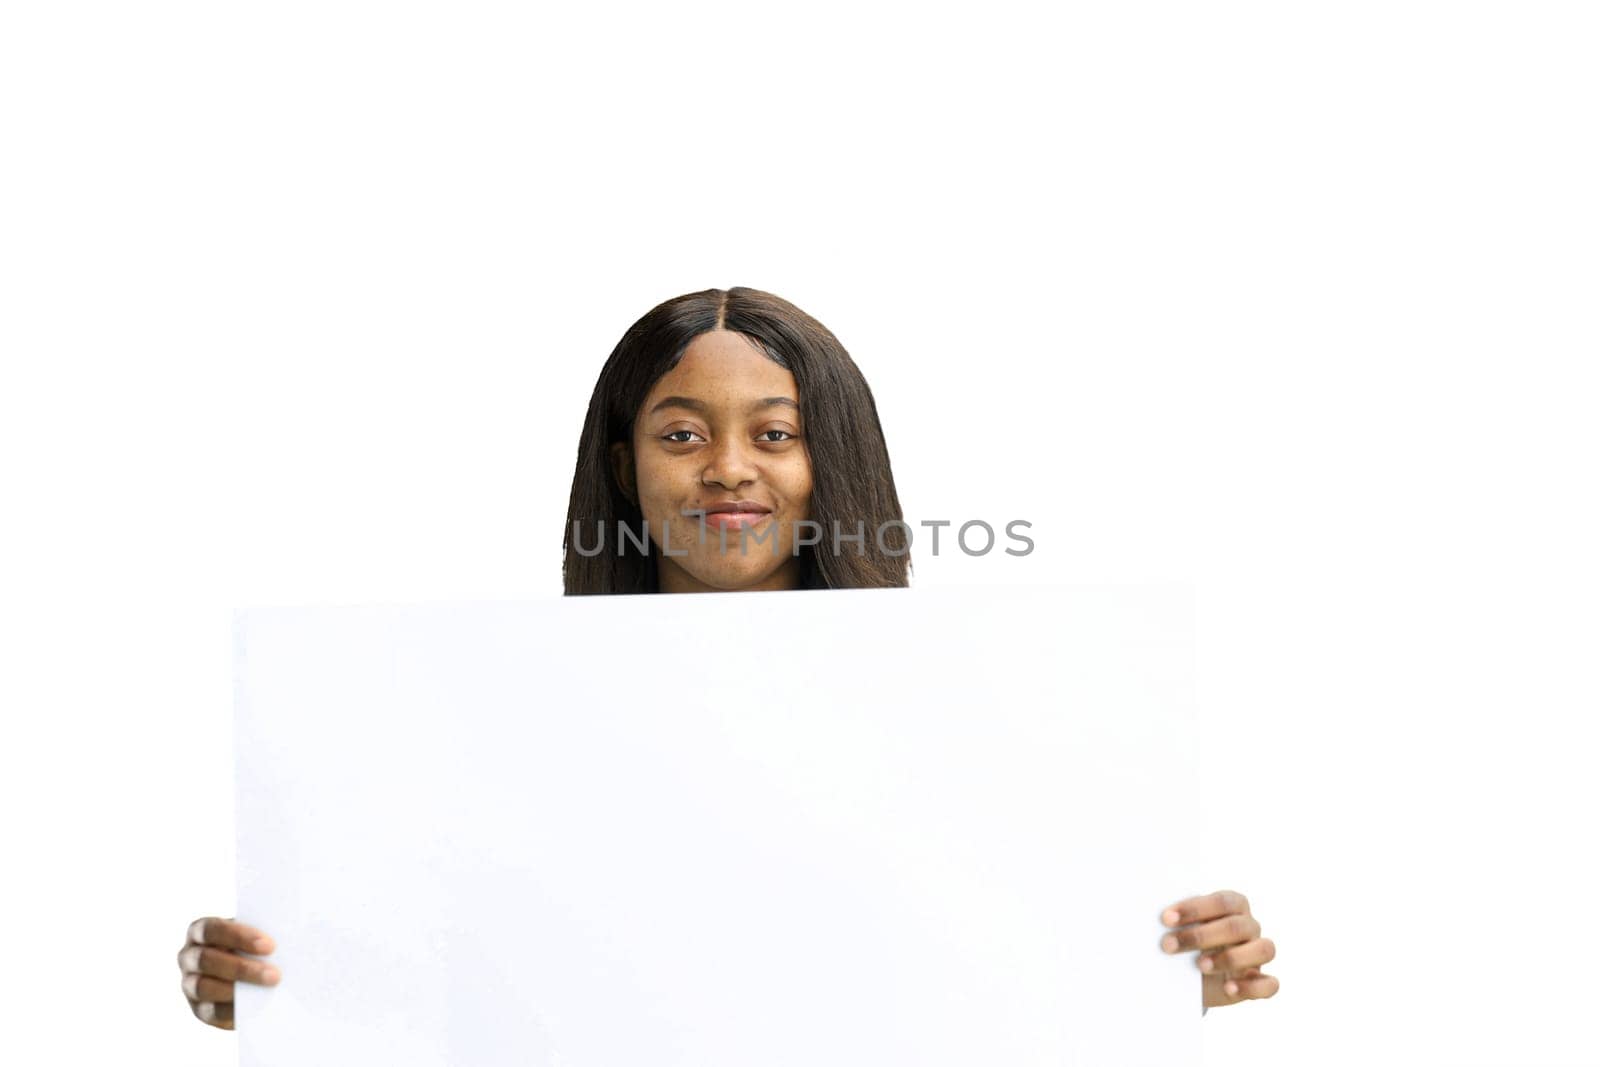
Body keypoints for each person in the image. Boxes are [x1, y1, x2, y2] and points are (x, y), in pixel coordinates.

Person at [178, 286, 1280, 1029]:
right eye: (680, 433)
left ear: (827, 456)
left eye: (775, 431)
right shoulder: (475, 718)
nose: (726, 469)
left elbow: (993, 973)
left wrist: (1168, 963)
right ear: (623, 465)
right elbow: (461, 967)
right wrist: (282, 985)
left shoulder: (990, 716)